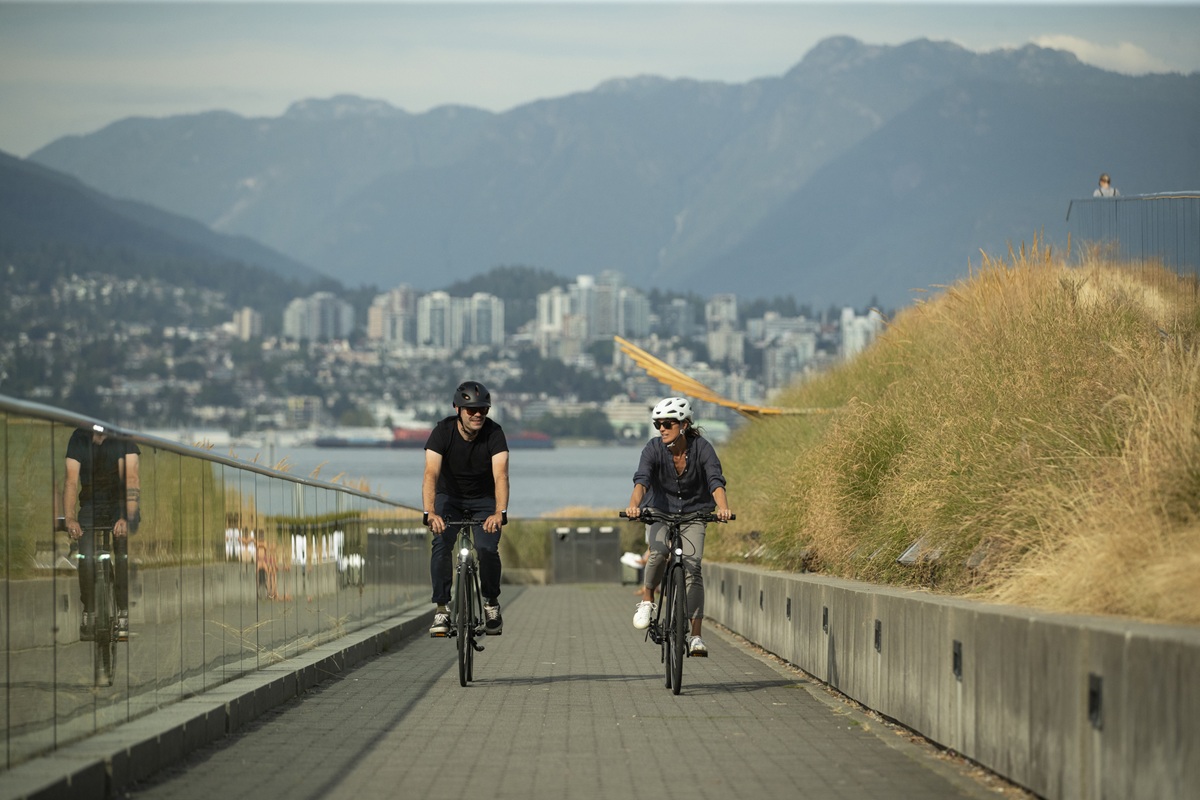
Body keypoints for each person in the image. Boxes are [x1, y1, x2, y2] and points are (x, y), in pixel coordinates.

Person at [624, 397, 732, 657]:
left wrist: (723, 507)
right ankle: (648, 600)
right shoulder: (653, 449)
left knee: (693, 567)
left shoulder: (703, 448)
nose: (661, 428)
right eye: (657, 423)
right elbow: (642, 480)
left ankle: (695, 636)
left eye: (667, 423)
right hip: (660, 511)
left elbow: (715, 480)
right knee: (659, 552)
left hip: (695, 513)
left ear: (683, 425)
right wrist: (633, 505)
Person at [423, 380, 510, 637]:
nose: (477, 414)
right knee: (440, 544)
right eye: (471, 410)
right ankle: (441, 608)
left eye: (483, 409)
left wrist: (499, 512)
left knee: (486, 548)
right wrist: (431, 513)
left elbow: (501, 476)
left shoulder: (495, 433)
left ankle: (491, 603)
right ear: (457, 409)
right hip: (449, 499)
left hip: (485, 501)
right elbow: (430, 473)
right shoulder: (442, 432)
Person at [63, 424, 140, 641]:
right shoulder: (79, 437)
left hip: (120, 503)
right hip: (91, 503)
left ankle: (123, 613)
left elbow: (132, 481)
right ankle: (89, 610)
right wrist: (70, 519)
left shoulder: (123, 437)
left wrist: (127, 516)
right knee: (85, 556)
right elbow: (70, 481)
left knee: (121, 550)